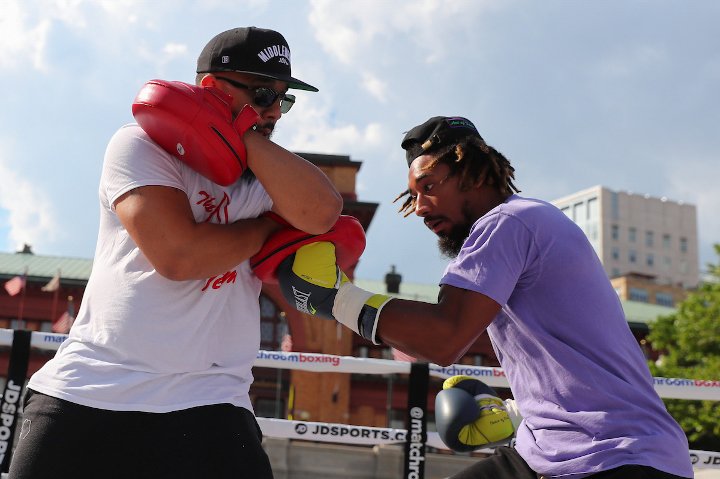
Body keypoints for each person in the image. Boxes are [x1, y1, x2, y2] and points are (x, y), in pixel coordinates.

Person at [277, 116, 694, 478]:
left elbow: (444, 338)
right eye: (413, 195)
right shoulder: (530, 225)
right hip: (556, 450)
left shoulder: (507, 222)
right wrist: (517, 410)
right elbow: (579, 355)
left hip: (615, 458)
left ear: (474, 175)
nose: (419, 208)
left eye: (428, 186)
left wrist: (337, 299)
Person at [8, 27, 342, 479]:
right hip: (91, 390)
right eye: (263, 94)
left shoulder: (268, 170)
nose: (272, 112)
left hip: (210, 401)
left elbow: (323, 213)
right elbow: (178, 257)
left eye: (283, 100)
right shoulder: (139, 142)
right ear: (212, 87)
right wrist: (267, 226)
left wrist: (247, 137)